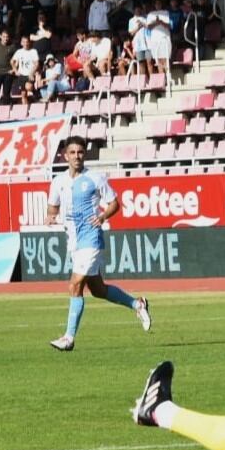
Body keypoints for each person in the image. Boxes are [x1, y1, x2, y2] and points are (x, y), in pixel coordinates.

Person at [46, 136, 151, 351]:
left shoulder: (95, 178)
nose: (77, 156)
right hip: (74, 241)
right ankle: (137, 304)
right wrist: (50, 217)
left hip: (91, 238)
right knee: (98, 289)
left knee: (75, 285)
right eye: (73, 152)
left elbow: (114, 203)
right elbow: (52, 209)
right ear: (65, 156)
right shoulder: (58, 182)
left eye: (80, 152)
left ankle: (68, 338)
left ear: (85, 155)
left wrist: (102, 217)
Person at [11, 34, 41, 105]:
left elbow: (37, 63)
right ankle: (26, 109)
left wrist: (32, 73)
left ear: (29, 42)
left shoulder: (33, 51)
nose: (25, 43)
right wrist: (15, 70)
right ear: (21, 43)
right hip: (21, 75)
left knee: (28, 87)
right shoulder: (19, 52)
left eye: (27, 42)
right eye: (24, 42)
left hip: (29, 74)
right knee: (23, 94)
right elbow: (12, 61)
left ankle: (37, 94)